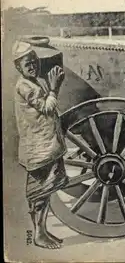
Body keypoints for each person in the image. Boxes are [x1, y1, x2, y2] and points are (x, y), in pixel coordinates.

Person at [13, 41, 68, 249]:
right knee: (39, 194)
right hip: (38, 149)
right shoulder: (24, 86)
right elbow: (46, 108)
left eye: (34, 62)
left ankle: (42, 231)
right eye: (28, 63)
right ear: (18, 67)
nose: (33, 66)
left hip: (45, 147)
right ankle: (38, 235)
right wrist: (54, 88)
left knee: (45, 192)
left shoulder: (33, 81)